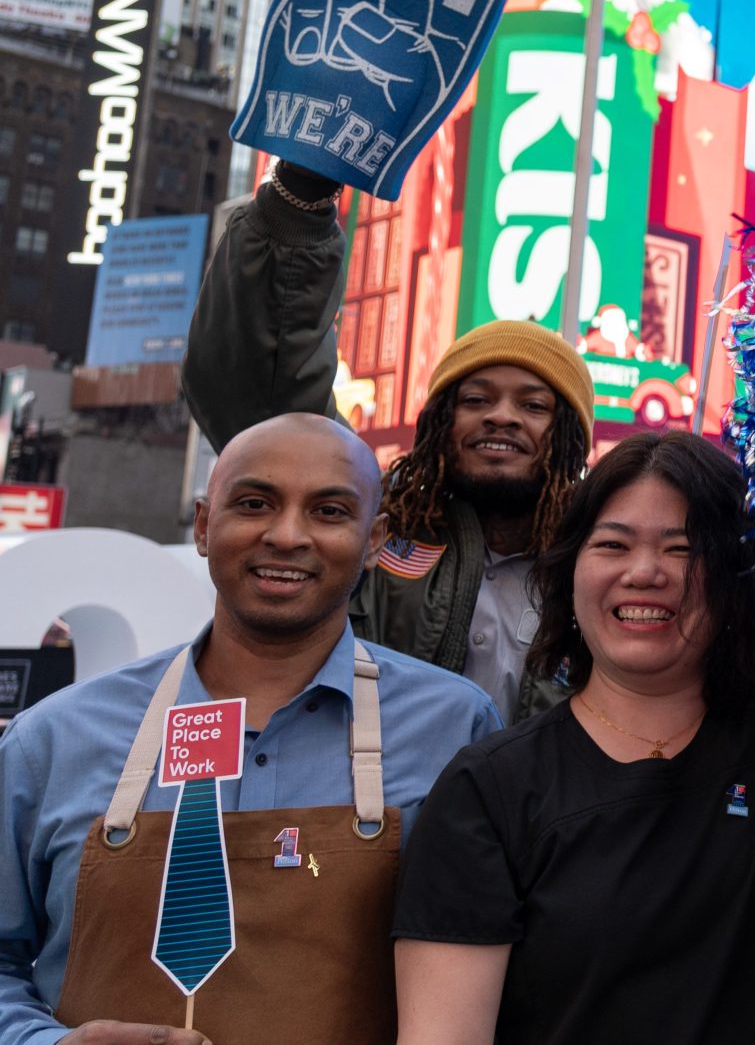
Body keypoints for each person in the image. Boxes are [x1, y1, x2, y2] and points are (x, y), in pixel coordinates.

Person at [0, 414, 499, 1045]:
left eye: (328, 511)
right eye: (255, 503)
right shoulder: (53, 740)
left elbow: (486, 966)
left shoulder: (455, 727)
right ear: (206, 526)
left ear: (375, 541)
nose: (287, 535)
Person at [388, 430, 755, 1045]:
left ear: (736, 580)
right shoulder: (488, 790)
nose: (644, 572)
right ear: (569, 573)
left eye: (682, 549)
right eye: (612, 545)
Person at [183, 159, 597, 722]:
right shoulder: (370, 528)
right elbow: (267, 389)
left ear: (569, 437)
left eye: (533, 405)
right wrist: (299, 201)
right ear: (437, 426)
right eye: (475, 400)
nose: (501, 418)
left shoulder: (604, 557)